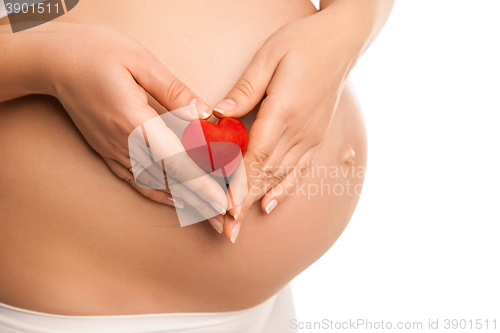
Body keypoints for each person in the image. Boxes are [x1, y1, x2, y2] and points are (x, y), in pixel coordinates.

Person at [0, 0, 393, 331]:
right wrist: (50, 59)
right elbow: (28, 16)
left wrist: (345, 30)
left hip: (267, 304)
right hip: (70, 311)